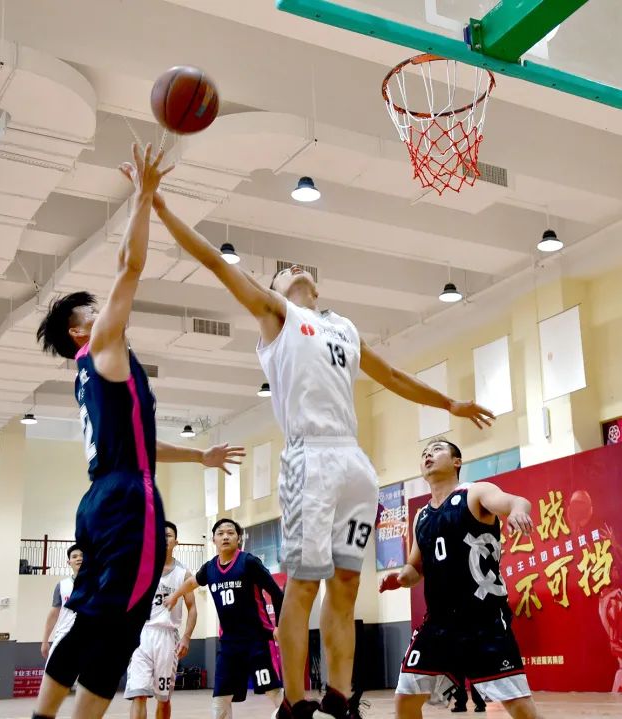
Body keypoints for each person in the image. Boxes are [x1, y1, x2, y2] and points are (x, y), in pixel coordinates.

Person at [152, 193, 495, 719]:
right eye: (282, 270)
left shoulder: (344, 327)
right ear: (274, 290)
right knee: (305, 582)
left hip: (353, 462)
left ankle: (339, 696)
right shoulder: (278, 316)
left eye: (297, 267)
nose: (292, 267)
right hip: (309, 458)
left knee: (347, 584)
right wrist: (161, 208)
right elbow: (217, 264)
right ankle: (293, 702)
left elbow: (392, 376)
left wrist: (448, 403)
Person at [32, 143, 245, 719]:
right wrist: (143, 196)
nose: (106, 312)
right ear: (80, 332)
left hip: (103, 495)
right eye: (92, 311)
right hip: (127, 498)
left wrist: (198, 457)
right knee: (119, 622)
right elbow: (129, 265)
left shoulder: (94, 377)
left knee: (93, 614)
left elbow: (141, 444)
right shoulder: (102, 345)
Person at [380, 439, 541, 719]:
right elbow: (416, 567)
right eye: (424, 452)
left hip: (483, 620)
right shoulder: (421, 517)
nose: (428, 454)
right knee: (405, 699)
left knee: (520, 708)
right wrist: (402, 578)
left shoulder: (475, 493)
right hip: (438, 624)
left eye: (437, 449)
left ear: (457, 462)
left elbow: (517, 501)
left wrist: (517, 511)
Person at [164, 518, 284, 719]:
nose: (225, 537)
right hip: (229, 644)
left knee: (273, 691)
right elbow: (192, 583)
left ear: (239, 538)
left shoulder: (249, 562)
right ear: (213, 540)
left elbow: (277, 593)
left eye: (230, 532)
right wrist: (175, 596)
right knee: (220, 698)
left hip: (257, 641)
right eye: (220, 533)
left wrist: (279, 626)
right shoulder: (210, 568)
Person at [125, 521, 197, 719]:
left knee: (163, 698)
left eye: (168, 535)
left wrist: (186, 637)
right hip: (142, 635)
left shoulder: (184, 573)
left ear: (176, 542)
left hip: (167, 637)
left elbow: (192, 608)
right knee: (138, 693)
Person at [41, 544, 83, 662]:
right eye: (74, 556)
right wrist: (45, 641)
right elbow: (54, 614)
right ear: (69, 562)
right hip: (64, 636)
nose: (79, 558)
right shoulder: (62, 585)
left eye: (82, 556)